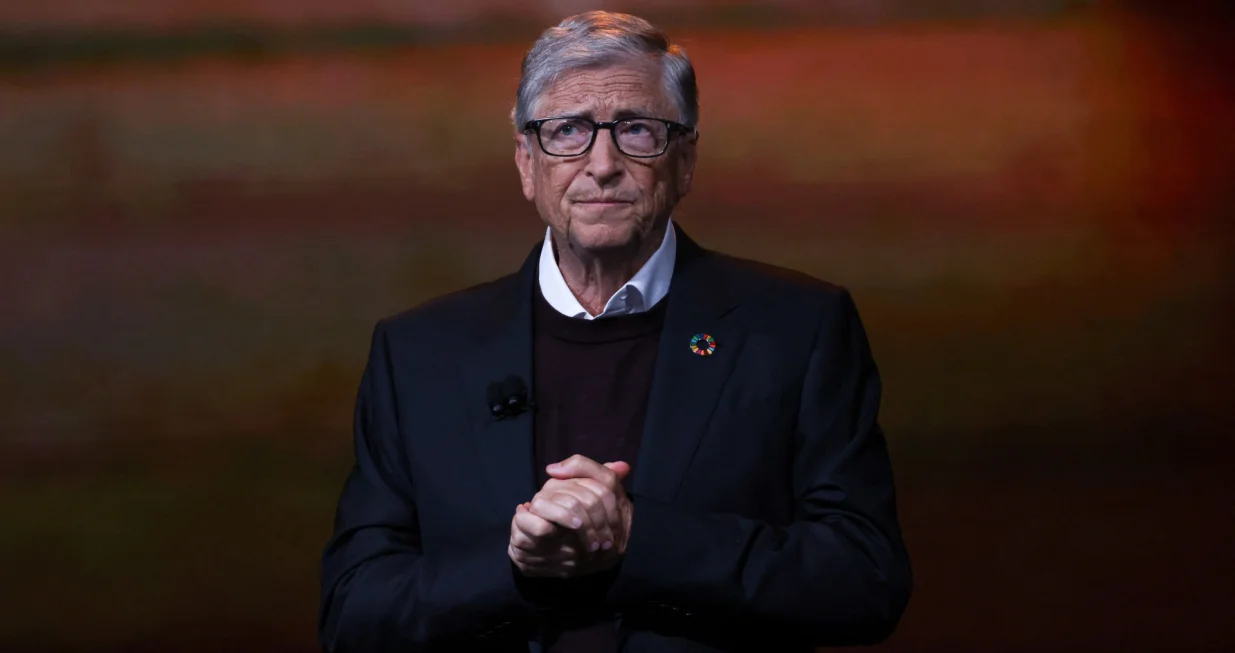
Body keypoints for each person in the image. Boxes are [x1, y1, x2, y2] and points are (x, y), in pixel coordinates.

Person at [319, 10, 911, 653]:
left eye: (636, 130)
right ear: (526, 161)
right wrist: (520, 566)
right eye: (568, 130)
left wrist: (638, 537)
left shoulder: (797, 329)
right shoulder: (418, 354)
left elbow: (864, 581)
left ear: (684, 161)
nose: (602, 164)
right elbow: (355, 616)